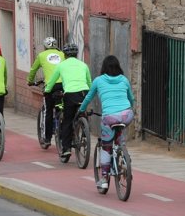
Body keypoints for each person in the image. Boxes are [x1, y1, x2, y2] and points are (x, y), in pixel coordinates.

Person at [79, 55, 135, 189]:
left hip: (110, 117)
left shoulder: (98, 81)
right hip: (127, 114)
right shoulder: (124, 80)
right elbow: (131, 99)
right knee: (119, 135)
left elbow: (88, 98)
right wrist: (128, 108)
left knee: (106, 146)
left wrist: (81, 110)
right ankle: (125, 161)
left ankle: (104, 178)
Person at [45, 43, 91, 158]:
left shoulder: (61, 65)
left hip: (70, 94)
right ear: (76, 54)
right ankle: (84, 133)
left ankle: (66, 149)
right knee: (82, 113)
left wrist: (47, 90)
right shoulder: (83, 65)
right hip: (84, 93)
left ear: (65, 55)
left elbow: (52, 81)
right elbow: (89, 82)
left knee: (67, 120)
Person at [27, 37, 65, 146]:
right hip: (64, 85)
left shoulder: (41, 55)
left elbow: (33, 70)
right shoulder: (62, 54)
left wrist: (30, 81)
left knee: (48, 111)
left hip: (51, 86)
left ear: (44, 46)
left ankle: (47, 138)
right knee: (62, 107)